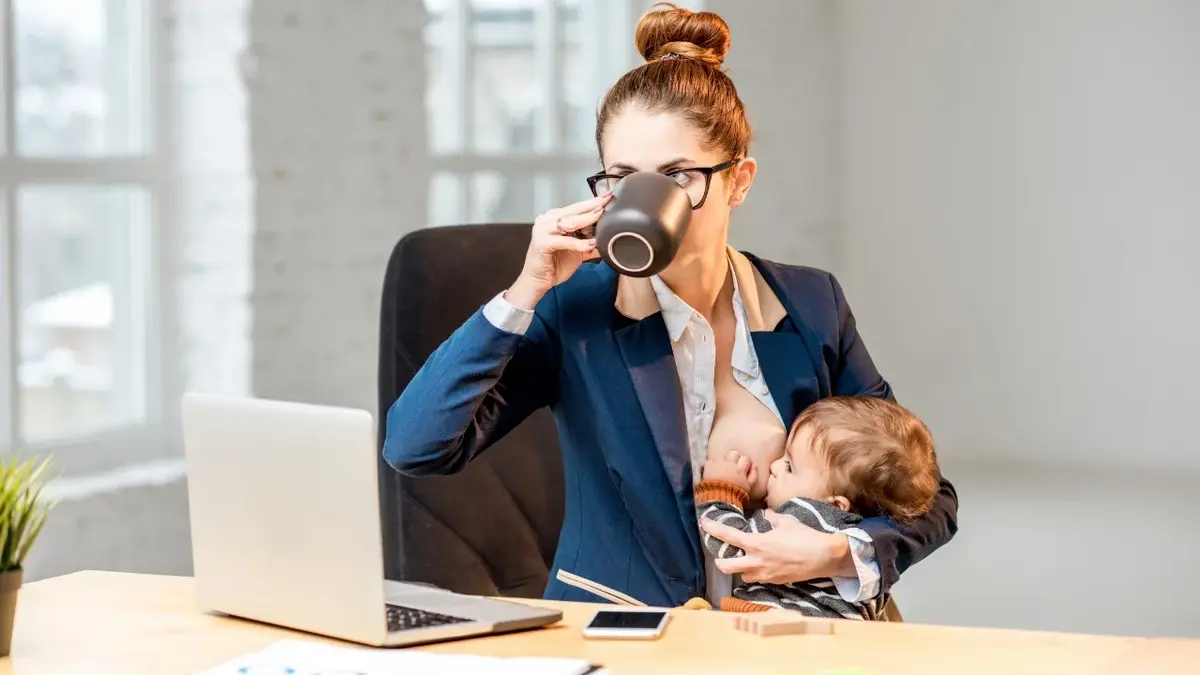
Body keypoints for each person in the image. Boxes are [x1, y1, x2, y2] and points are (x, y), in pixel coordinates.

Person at [383, 2, 958, 610]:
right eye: (624, 176)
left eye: (677, 174)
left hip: (790, 635)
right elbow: (416, 448)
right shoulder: (574, 313)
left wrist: (838, 552)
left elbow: (927, 497)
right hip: (626, 632)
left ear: (738, 180)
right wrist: (524, 290)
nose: (647, 198)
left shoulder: (811, 304)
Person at [696, 396, 941, 618]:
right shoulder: (858, 530)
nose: (775, 466)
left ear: (834, 504)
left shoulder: (806, 517)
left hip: (780, 631)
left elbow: (732, 544)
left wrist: (722, 490)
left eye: (790, 466)